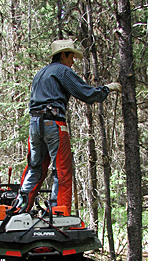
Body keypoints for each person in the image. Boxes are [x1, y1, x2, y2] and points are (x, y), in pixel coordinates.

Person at [19, 39, 122, 214]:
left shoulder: (40, 73)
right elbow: (86, 94)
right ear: (64, 55)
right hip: (54, 123)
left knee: (35, 167)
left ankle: (19, 208)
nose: (73, 61)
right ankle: (59, 212)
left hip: (35, 125)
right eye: (72, 56)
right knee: (62, 170)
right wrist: (107, 89)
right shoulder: (62, 71)